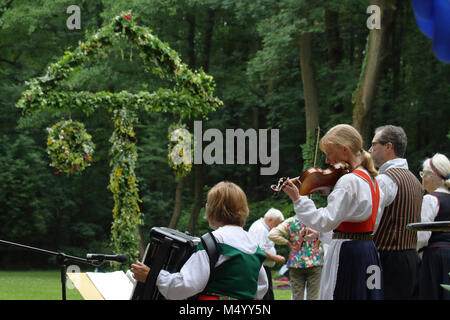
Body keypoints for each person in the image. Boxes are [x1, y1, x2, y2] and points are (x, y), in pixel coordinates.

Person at [280, 124, 387, 300]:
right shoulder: (373, 181)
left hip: (349, 255)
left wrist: (298, 199)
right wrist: (321, 234)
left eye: (329, 153)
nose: (328, 161)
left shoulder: (349, 181)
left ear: (345, 150)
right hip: (368, 252)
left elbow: (325, 220)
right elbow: (362, 229)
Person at [131, 181, 268, 300]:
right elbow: (261, 287)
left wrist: (153, 276)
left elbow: (187, 285)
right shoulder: (253, 245)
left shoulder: (213, 241)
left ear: (212, 209)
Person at [368, 125, 423, 300]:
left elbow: (371, 223)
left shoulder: (385, 180)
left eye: (374, 145)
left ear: (388, 146)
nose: (370, 150)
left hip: (385, 259)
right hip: (411, 257)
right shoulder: (414, 179)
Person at [417, 153, 450, 300]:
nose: (422, 177)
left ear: (432, 175)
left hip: (434, 256)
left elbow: (422, 236)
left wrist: (418, 253)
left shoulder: (430, 199)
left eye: (423, 173)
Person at [269, 215, 324, 300]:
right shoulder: (317, 220)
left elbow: (272, 234)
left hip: (295, 262)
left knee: (297, 296)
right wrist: (318, 244)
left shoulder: (290, 221)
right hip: (315, 261)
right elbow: (329, 233)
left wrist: (287, 243)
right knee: (313, 296)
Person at [248, 208, 286, 300]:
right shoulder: (260, 229)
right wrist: (275, 258)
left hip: (263, 267)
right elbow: (260, 251)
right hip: (260, 267)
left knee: (268, 293)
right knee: (265, 295)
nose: (276, 227)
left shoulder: (264, 228)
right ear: (269, 220)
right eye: (276, 224)